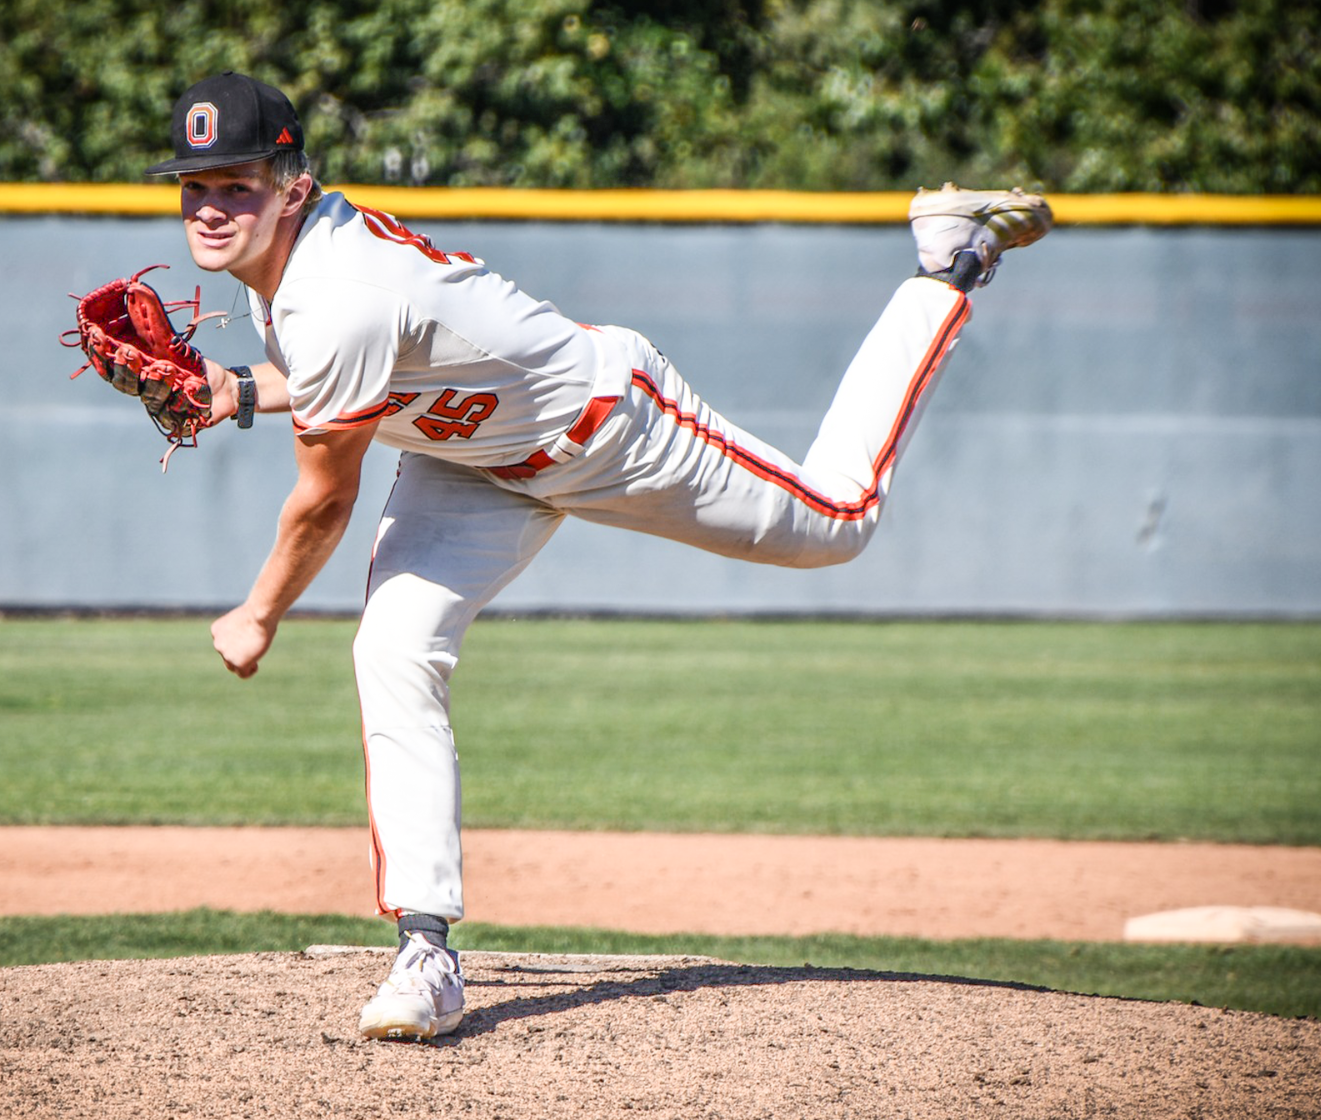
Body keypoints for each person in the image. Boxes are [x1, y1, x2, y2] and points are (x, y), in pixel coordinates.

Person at [141, 72, 1052, 1041]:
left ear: (292, 183)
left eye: (235, 183)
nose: (209, 207)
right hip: (467, 463)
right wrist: (234, 391)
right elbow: (354, 372)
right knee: (391, 651)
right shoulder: (298, 268)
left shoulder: (334, 292)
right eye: (193, 186)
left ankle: (946, 266)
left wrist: (259, 614)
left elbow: (322, 502)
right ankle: (425, 952)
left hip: (610, 430)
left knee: (838, 520)